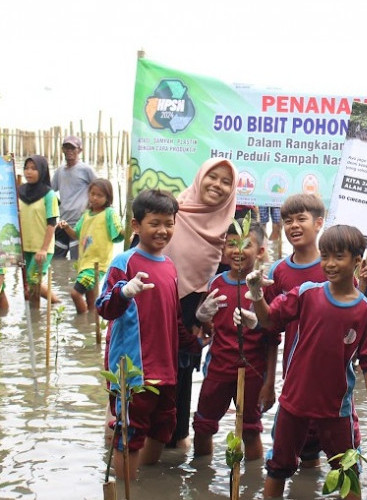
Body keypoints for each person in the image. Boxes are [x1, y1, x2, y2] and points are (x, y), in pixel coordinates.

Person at [246, 224, 367, 499]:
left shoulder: (366, 311)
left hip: (336, 408)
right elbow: (269, 320)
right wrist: (257, 294)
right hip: (294, 402)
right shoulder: (307, 293)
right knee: (278, 467)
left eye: (339, 257)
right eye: (325, 256)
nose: (330, 264)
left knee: (347, 471)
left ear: (357, 260)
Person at [96, 189, 202, 481]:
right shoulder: (124, 263)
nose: (163, 230)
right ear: (136, 225)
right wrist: (124, 291)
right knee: (129, 433)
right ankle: (127, 488)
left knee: (164, 425)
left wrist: (199, 338)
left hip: (166, 369)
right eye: (155, 223)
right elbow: (104, 306)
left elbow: (174, 319)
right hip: (133, 370)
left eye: (169, 223)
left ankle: (149, 484)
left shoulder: (169, 266)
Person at [263, 193, 367, 467]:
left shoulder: (343, 270)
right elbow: (269, 328)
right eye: (287, 221)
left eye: (301, 219)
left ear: (319, 223)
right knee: (296, 457)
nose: (293, 226)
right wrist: (268, 383)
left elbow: (357, 320)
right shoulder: (278, 271)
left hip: (334, 390)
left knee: (343, 460)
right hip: (296, 384)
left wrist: (365, 285)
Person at [163, 157, 237, 450]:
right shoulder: (172, 212)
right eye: (213, 177)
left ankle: (175, 443)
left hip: (193, 315)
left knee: (180, 381)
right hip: (156, 309)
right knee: (146, 383)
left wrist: (208, 318)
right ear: (200, 177)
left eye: (226, 181)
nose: (217, 185)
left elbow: (227, 279)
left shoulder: (227, 229)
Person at [192, 220, 276, 460]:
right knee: (203, 426)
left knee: (250, 431)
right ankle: (201, 482)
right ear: (223, 250)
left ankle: (251, 488)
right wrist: (203, 317)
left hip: (251, 372)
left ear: (260, 251)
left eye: (245, 245)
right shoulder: (216, 284)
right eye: (231, 244)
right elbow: (209, 324)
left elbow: (272, 339)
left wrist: (270, 383)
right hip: (218, 369)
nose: (237, 251)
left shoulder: (264, 287)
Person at [59, 179, 124, 314]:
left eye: (99, 195)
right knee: (91, 303)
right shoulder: (86, 215)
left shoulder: (109, 214)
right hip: (84, 263)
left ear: (107, 198)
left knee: (75, 294)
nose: (94, 198)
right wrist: (66, 227)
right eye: (92, 194)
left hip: (96, 265)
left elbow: (119, 232)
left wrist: (131, 230)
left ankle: (82, 321)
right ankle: (89, 327)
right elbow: (76, 234)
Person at [18, 155, 59, 304]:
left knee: (33, 280)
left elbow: (51, 223)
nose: (29, 172)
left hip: (42, 248)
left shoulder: (49, 194)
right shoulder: (20, 191)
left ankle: (56, 303)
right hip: (25, 247)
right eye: (26, 168)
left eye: (34, 168)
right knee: (30, 286)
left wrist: (43, 249)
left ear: (42, 171)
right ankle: (35, 320)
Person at [51, 135, 97, 260]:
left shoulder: (86, 170)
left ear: (80, 150)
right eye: (66, 147)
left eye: (73, 148)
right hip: (63, 222)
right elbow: (49, 192)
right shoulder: (60, 171)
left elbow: (100, 189)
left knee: (77, 261)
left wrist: (92, 210)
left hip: (80, 222)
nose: (69, 151)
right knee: (57, 260)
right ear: (62, 150)